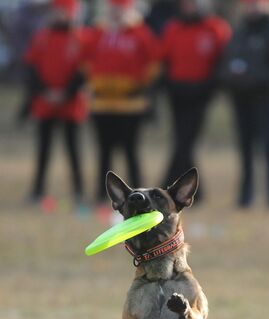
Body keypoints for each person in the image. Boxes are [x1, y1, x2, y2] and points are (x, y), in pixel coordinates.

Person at [219, 0, 269, 209]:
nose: (252, 7)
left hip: (268, 97)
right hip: (242, 98)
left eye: (257, 3)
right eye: (249, 4)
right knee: (245, 148)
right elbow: (226, 61)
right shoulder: (240, 30)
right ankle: (245, 196)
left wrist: (257, 76)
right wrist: (231, 76)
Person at [86, 0, 161, 204]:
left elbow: (153, 63)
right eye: (113, 9)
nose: (116, 13)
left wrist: (139, 86)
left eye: (121, 9)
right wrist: (95, 85)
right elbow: (85, 60)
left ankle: (140, 195)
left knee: (131, 152)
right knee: (104, 152)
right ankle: (102, 195)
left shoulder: (140, 33)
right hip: (102, 105)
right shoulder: (98, 33)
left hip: (130, 106)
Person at [161, 0, 231, 199]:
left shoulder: (216, 28)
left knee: (185, 142)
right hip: (177, 94)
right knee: (182, 142)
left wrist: (210, 87)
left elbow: (222, 61)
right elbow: (164, 59)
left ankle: (169, 185)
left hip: (201, 94)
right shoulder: (173, 28)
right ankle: (192, 191)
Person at [23, 0, 88, 204]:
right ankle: (37, 190)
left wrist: (66, 93)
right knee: (43, 149)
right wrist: (44, 92)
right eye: (57, 11)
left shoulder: (80, 38)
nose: (60, 15)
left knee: (73, 149)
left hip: (71, 104)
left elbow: (84, 70)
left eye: (64, 12)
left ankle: (79, 190)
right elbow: (32, 67)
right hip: (45, 103)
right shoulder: (42, 37)